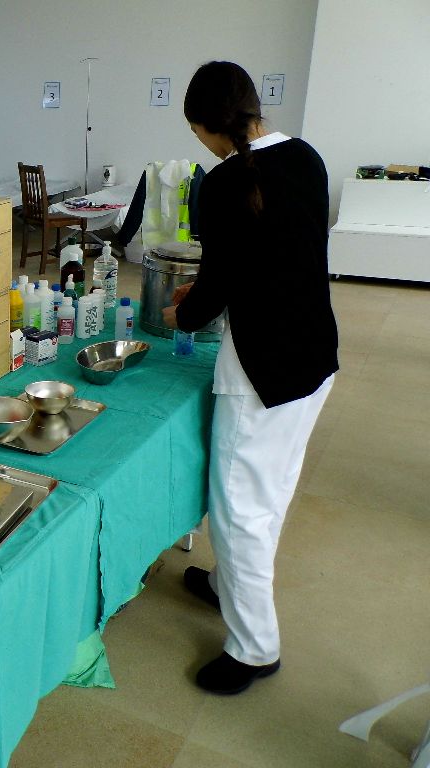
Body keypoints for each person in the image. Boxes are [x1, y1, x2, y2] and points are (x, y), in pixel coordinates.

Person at [161, 61, 338, 695]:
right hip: (315, 352)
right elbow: (275, 259)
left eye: (196, 132)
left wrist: (182, 313)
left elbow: (221, 281)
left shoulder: (225, 182)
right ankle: (227, 583)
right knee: (273, 488)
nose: (201, 143)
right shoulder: (306, 156)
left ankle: (254, 649)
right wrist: (212, 291)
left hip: (264, 369)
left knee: (239, 511)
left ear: (208, 125)